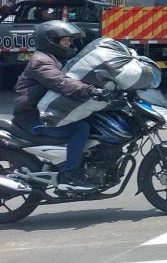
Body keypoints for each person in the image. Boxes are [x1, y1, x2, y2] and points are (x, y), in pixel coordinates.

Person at [10, 21, 101, 190]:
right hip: (32, 119)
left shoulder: (54, 58)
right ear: (50, 40)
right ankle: (70, 175)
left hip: (44, 113)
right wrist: (90, 91)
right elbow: (60, 82)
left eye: (69, 40)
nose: (69, 43)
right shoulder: (41, 61)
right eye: (65, 40)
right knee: (80, 128)